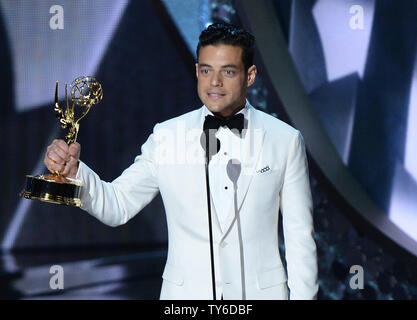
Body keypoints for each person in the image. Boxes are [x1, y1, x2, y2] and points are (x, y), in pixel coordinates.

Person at [44, 23, 318, 300]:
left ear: (250, 76)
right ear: (197, 71)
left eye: (228, 72)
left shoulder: (285, 140)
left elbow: (299, 238)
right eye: (206, 70)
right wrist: (75, 172)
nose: (215, 82)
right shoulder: (166, 136)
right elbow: (117, 205)